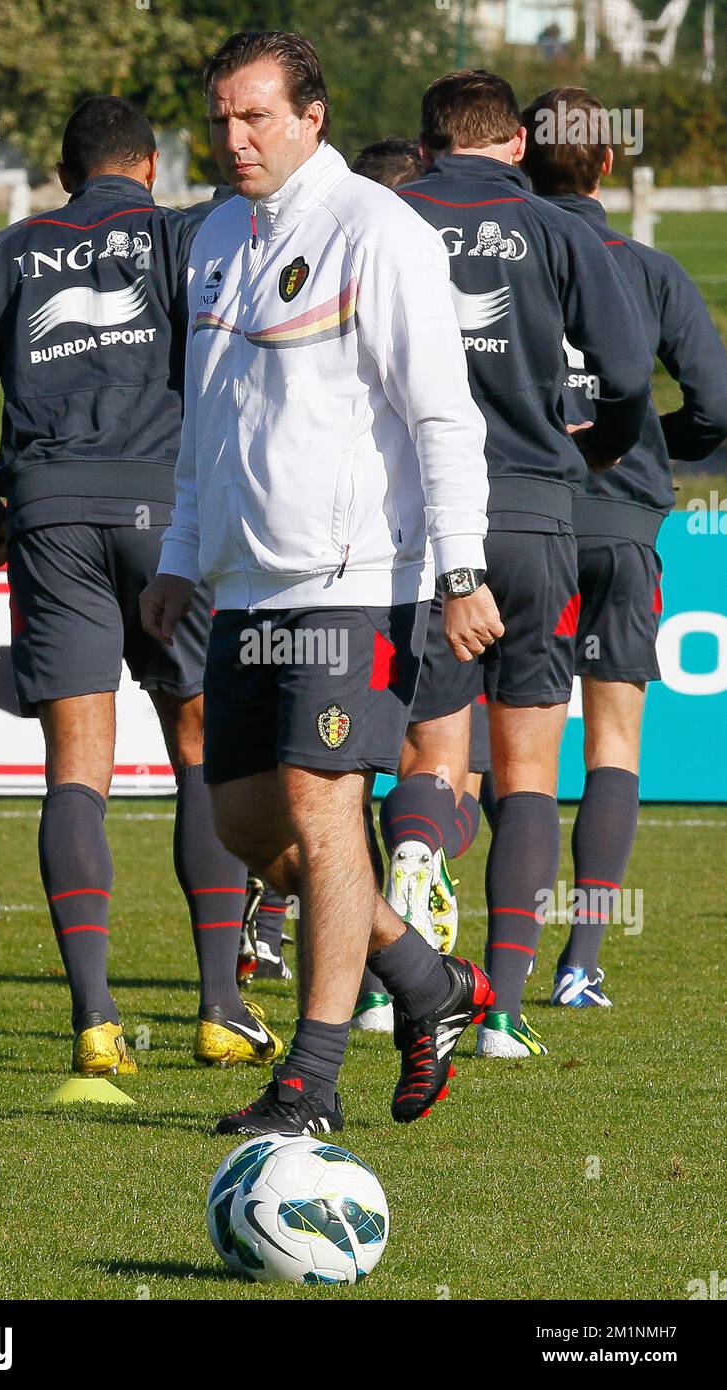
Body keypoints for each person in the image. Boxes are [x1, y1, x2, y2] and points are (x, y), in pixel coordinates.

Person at [142, 31, 501, 1136]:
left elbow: (443, 414)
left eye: (254, 117)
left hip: (360, 579)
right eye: (219, 119)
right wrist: (172, 560)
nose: (233, 138)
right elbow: (207, 426)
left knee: (321, 802)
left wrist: (458, 567)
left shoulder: (375, 231)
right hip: (242, 587)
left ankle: (308, 1081)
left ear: (311, 118)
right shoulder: (211, 237)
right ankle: (425, 978)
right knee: (253, 824)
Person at [0, 95, 283, 1078]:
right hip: (170, 518)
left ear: (61, 173)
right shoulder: (182, 237)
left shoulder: (3, 254)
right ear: (149, 165)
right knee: (200, 750)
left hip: (51, 515)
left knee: (76, 767)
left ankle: (94, 1023)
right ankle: (218, 1008)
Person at [394, 69, 652, 1058]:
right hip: (535, 511)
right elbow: (624, 374)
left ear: (423, 146)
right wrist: (597, 448)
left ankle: (400, 969)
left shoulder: (381, 214)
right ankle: (498, 1009)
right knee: (530, 768)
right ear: (512, 145)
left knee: (431, 757)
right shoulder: (558, 228)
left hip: (416, 519)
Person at [520, 86, 727, 1006]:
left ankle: (479, 962)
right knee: (613, 747)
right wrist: (649, 447)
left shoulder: (498, 263)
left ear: (521, 155)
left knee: (493, 753)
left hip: (518, 527)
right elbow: (716, 408)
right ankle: (581, 965)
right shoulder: (647, 268)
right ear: (607, 163)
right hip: (622, 530)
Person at [347, 132, 486, 1035]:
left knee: (334, 784)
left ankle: (368, 976)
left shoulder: (335, 261)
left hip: (332, 569)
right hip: (440, 553)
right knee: (447, 765)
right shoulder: (427, 268)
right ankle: (415, 854)